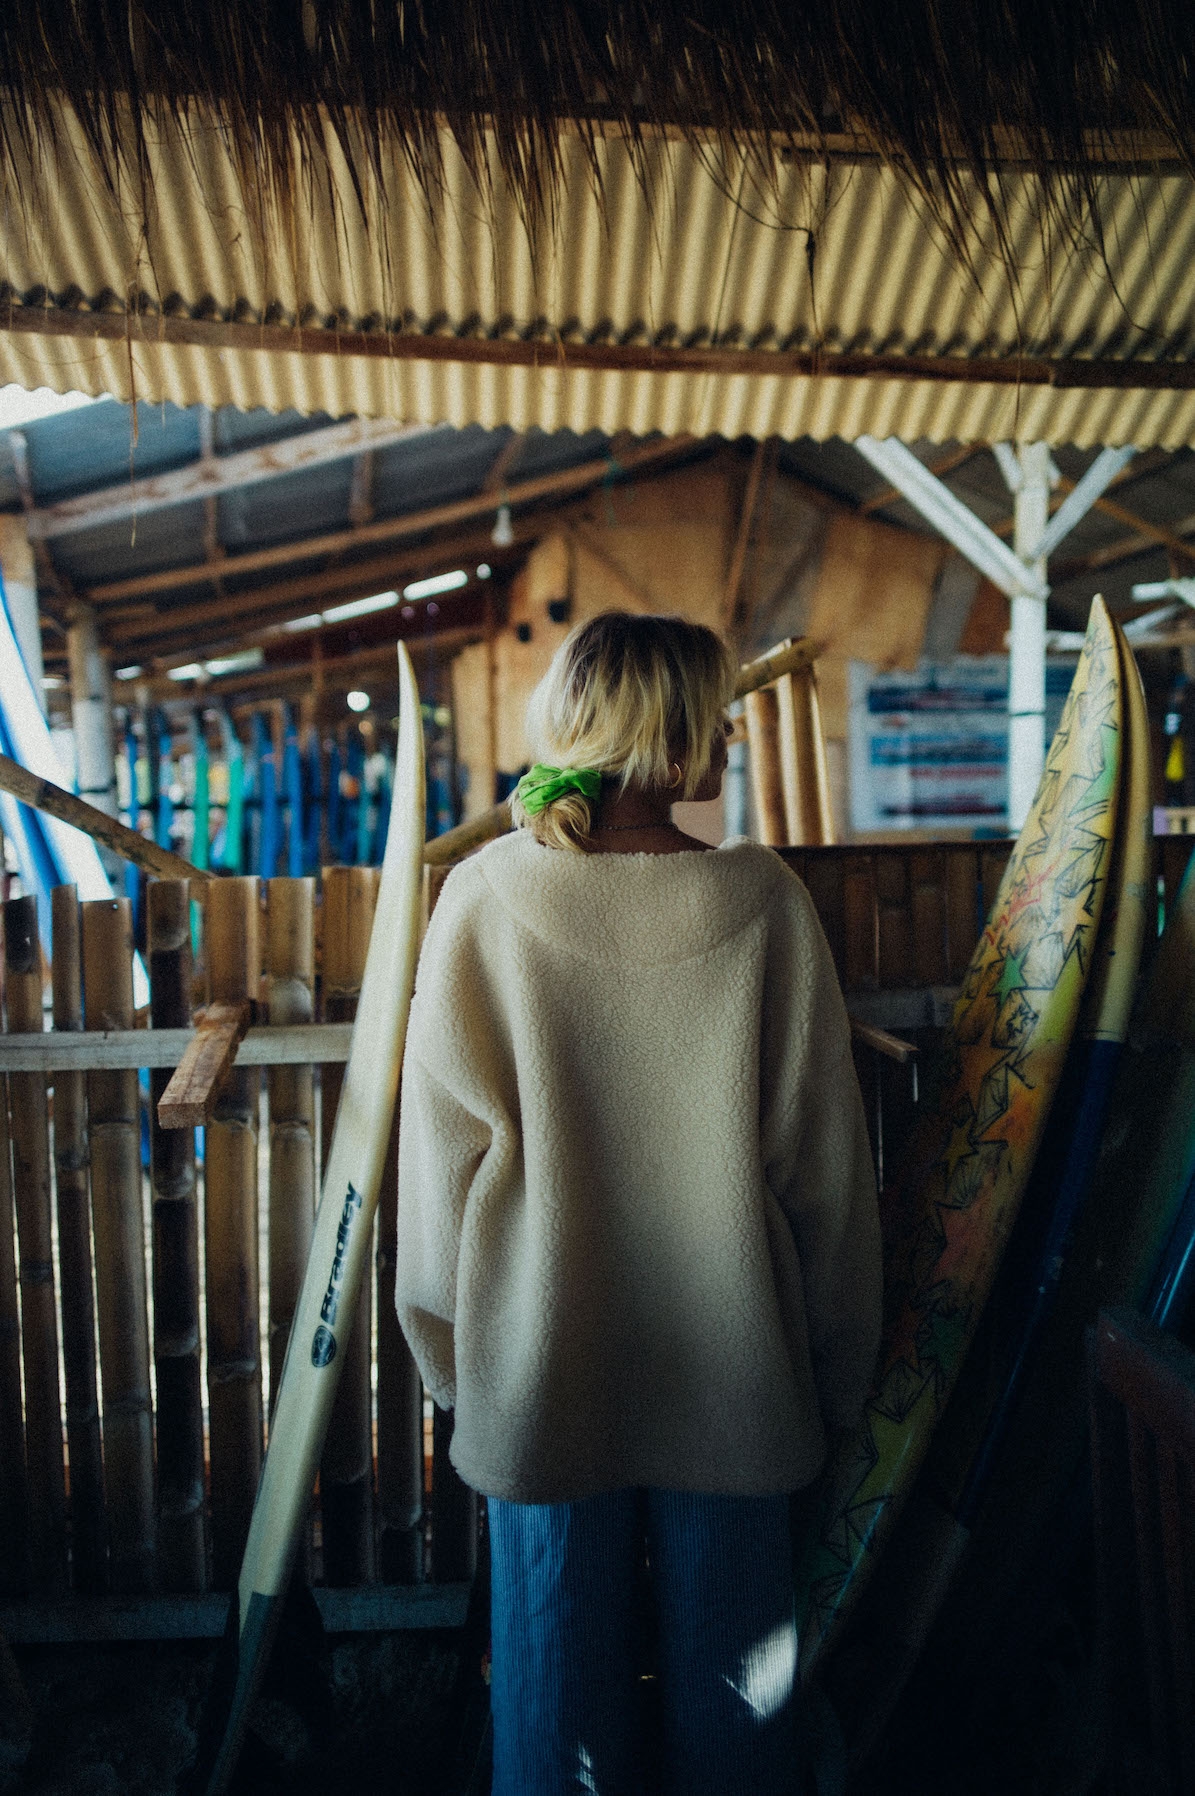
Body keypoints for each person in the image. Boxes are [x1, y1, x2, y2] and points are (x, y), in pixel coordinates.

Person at [395, 612, 881, 1796]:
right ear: (670, 739)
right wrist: (839, 1369)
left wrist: (457, 1367)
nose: (727, 730)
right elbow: (824, 1172)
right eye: (713, 711)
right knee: (736, 1705)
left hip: (538, 1374)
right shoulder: (763, 903)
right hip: (739, 1376)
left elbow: (436, 1171)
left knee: (553, 1711)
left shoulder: (484, 897)